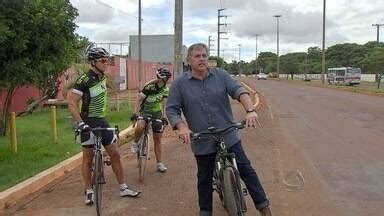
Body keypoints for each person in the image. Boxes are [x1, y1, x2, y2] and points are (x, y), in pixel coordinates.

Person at [166, 43, 272, 216]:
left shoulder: (221, 75)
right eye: (197, 56)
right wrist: (182, 127)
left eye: (204, 56)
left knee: (246, 169)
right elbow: (171, 109)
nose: (201, 59)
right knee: (204, 179)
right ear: (189, 60)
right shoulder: (180, 84)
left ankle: (264, 207)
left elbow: (239, 91)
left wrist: (250, 111)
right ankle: (205, 211)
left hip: (228, 133)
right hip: (202, 138)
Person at [67, 47, 140, 206]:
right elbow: (71, 103)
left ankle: (123, 187)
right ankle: (88, 190)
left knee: (115, 153)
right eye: (103, 60)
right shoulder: (84, 80)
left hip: (101, 120)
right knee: (88, 157)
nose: (106, 63)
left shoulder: (102, 77)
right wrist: (80, 124)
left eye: (107, 60)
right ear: (93, 62)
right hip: (87, 121)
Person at [130, 68, 171, 172]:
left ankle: (159, 163)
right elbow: (139, 100)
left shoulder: (166, 89)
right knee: (140, 126)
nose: (167, 80)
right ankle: (135, 143)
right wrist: (135, 113)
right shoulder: (149, 86)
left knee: (157, 138)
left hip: (157, 113)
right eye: (166, 78)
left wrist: (164, 117)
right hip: (145, 111)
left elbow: (164, 104)